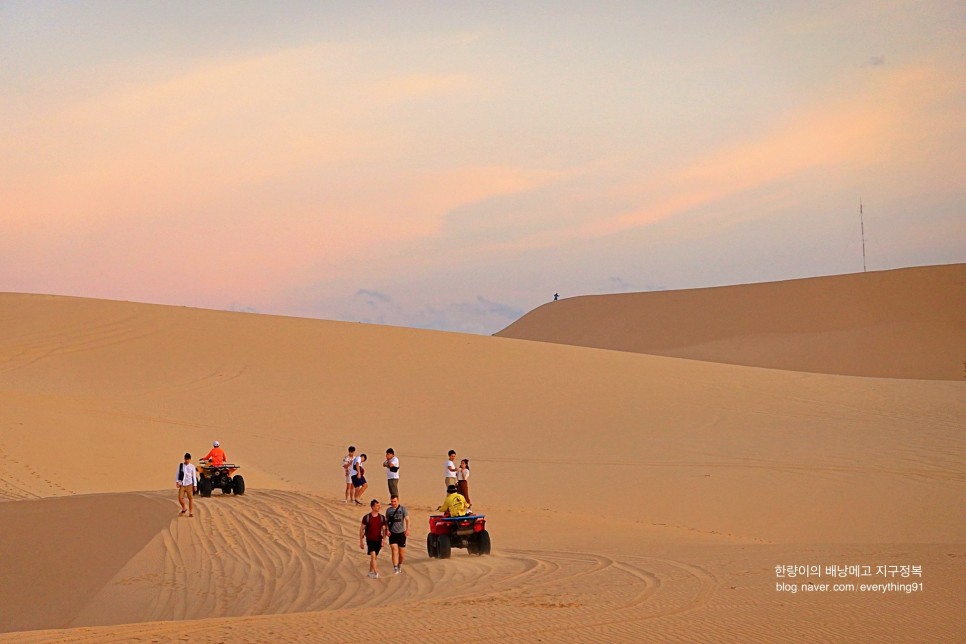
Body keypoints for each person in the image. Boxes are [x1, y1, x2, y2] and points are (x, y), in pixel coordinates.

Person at [359, 499, 388, 578]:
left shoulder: (382, 518)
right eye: (377, 506)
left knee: (374, 557)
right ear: (372, 507)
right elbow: (362, 529)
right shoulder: (367, 517)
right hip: (370, 540)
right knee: (373, 555)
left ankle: (370, 571)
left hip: (378, 540)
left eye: (379, 505)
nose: (379, 507)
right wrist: (361, 541)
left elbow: (384, 530)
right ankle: (376, 573)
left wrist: (384, 540)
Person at [386, 494, 410, 574]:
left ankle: (399, 564)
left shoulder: (403, 509)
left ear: (398, 500)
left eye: (394, 501)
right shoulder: (389, 510)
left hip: (401, 533)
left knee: (401, 554)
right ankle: (395, 567)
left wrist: (407, 529)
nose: (393, 503)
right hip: (392, 533)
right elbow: (386, 521)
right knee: (394, 550)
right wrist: (387, 530)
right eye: (392, 501)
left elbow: (407, 520)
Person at [176, 452, 198, 517]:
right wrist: (177, 482)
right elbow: (178, 474)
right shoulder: (181, 465)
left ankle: (191, 512)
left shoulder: (192, 466)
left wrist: (195, 485)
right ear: (184, 459)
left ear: (190, 459)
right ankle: (184, 508)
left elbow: (194, 476)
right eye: (186, 459)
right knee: (180, 498)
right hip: (182, 484)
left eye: (188, 459)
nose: (187, 460)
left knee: (190, 499)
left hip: (189, 484)